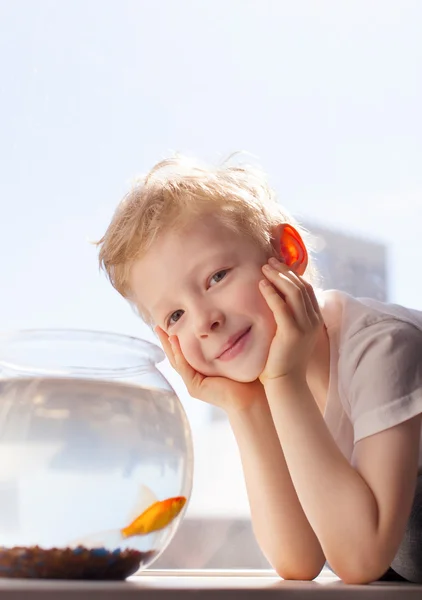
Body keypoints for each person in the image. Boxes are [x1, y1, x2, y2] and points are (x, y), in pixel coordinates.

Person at [96, 155, 422, 585]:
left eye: (217, 277)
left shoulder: (383, 348)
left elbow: (362, 560)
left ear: (288, 253)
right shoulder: (275, 383)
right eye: (175, 316)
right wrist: (244, 407)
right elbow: (299, 560)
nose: (203, 321)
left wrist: (283, 383)